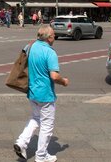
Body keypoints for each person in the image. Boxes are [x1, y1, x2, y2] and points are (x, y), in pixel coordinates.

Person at [14, 24, 69, 162]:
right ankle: (41, 156)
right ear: (49, 37)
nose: (55, 37)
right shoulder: (50, 52)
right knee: (46, 126)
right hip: (45, 95)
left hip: (32, 92)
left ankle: (21, 142)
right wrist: (64, 82)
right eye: (53, 35)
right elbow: (54, 76)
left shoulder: (32, 47)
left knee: (35, 118)